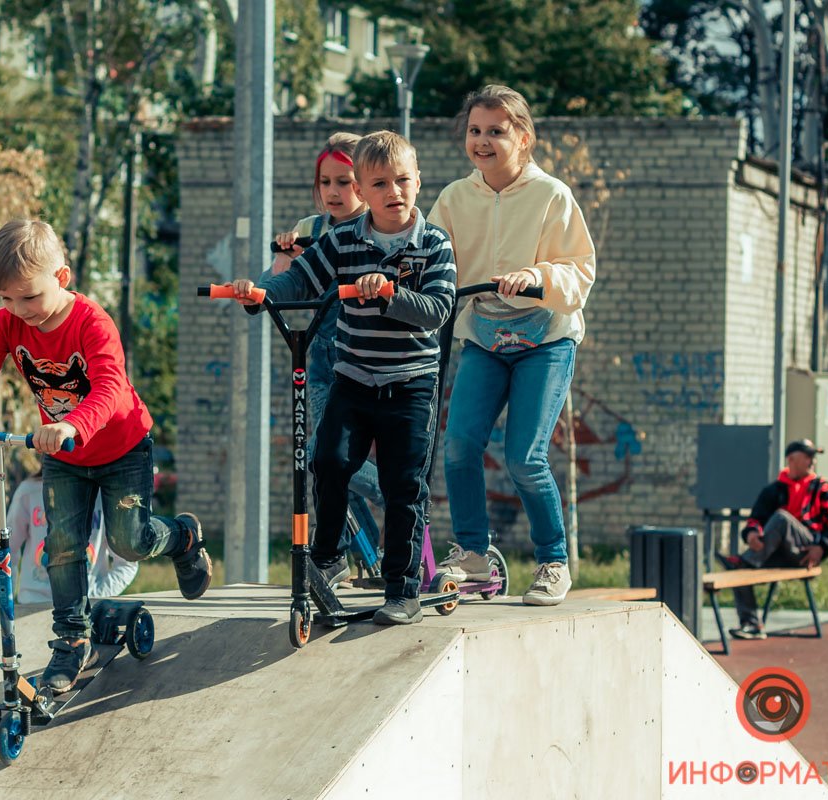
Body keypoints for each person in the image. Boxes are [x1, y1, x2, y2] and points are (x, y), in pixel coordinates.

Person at [0, 219, 211, 693]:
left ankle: (182, 537)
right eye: (6, 299)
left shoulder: (92, 323)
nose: (18, 310)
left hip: (121, 446)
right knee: (62, 546)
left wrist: (70, 425)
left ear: (61, 278)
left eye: (28, 297)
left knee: (130, 542)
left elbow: (108, 387)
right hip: (64, 455)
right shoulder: (10, 323)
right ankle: (70, 642)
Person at [230, 130, 456, 625]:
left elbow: (438, 310)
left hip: (411, 383)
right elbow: (301, 278)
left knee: (403, 486)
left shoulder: (434, 244)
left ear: (418, 182)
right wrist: (260, 291)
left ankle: (402, 587)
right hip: (354, 378)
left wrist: (389, 293)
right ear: (364, 192)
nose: (392, 192)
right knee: (328, 461)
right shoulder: (343, 240)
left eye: (402, 181)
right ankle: (327, 557)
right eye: (379, 184)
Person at [428, 85, 596, 606]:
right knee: (459, 447)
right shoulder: (455, 199)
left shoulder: (552, 196)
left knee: (524, 458)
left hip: (545, 339)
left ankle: (552, 561)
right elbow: (428, 256)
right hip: (484, 337)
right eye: (475, 131)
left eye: (495, 131)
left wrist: (535, 274)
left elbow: (579, 270)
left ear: (523, 139)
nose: (482, 140)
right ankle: (474, 556)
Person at [270, 132, 383, 585]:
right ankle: (368, 555)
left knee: (328, 457)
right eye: (326, 182)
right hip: (319, 359)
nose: (334, 192)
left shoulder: (375, 227)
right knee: (326, 461)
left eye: (346, 182)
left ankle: (402, 496)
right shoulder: (310, 227)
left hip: (364, 356)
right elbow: (279, 285)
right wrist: (283, 257)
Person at [719, 438, 828, 639]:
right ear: (791, 459)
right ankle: (751, 625)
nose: (811, 461)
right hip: (775, 552)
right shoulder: (773, 491)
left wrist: (822, 547)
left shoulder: (824, 489)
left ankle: (746, 560)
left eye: (813, 457)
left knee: (781, 519)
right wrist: (753, 534)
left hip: (806, 552)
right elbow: (755, 520)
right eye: (807, 456)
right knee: (740, 570)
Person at [2, 472, 138, 605]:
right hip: (35, 602)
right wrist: (1, 609)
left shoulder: (105, 495)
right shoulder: (30, 491)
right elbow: (5, 552)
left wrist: (94, 597)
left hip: (86, 607)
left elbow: (127, 563)